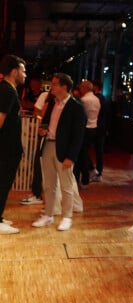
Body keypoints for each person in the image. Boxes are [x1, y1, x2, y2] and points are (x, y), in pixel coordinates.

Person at [32, 73, 86, 231]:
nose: (52, 87)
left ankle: (67, 216)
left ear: (64, 87)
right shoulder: (52, 103)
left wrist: (71, 156)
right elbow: (46, 122)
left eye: (55, 84)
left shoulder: (76, 106)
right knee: (49, 184)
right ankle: (48, 215)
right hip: (48, 145)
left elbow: (78, 135)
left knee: (66, 185)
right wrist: (42, 130)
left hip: (65, 150)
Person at [0, 54, 27, 235]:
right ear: (14, 72)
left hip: (7, 148)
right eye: (23, 71)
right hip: (5, 150)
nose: (25, 75)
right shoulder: (7, 91)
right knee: (2, 183)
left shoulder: (7, 89)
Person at [74, 80, 101, 188]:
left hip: (84, 129)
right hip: (93, 128)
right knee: (84, 153)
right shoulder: (96, 99)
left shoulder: (84, 100)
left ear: (84, 88)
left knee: (81, 155)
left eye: (81, 87)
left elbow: (80, 116)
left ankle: (85, 178)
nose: (80, 90)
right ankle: (89, 174)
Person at [90, 79, 108, 182]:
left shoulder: (95, 99)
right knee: (99, 151)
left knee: (85, 148)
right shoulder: (104, 99)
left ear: (95, 87)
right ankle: (99, 172)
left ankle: (92, 170)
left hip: (94, 126)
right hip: (102, 127)